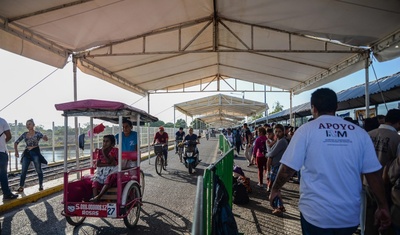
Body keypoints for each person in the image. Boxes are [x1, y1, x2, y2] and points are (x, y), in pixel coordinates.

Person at [269, 88, 391, 234]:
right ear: (336, 107)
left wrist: (275, 189)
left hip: (315, 215)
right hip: (349, 217)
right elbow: (373, 175)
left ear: (313, 108)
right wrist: (382, 205)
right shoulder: (359, 133)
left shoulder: (306, 130)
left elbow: (288, 168)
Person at [366, 109, 400, 235]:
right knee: (385, 221)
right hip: (385, 187)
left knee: (368, 220)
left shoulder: (368, 135)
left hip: (365, 185)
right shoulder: (396, 139)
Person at [14, 119, 48, 192]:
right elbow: (16, 142)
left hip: (35, 152)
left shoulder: (38, 133)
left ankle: (41, 185)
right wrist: (16, 152)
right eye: (27, 124)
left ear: (33, 125)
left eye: (29, 124)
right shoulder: (24, 134)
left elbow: (45, 139)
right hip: (27, 153)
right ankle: (21, 186)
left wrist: (45, 136)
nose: (28, 125)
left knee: (38, 169)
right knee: (23, 170)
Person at [266, 124, 288, 216]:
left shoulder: (282, 141)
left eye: (279, 131)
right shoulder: (279, 141)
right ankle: (280, 206)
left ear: (283, 132)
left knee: (274, 187)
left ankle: (278, 207)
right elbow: (270, 150)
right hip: (276, 167)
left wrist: (266, 155)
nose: (277, 133)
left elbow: (271, 153)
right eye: (276, 131)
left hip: (278, 167)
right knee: (276, 188)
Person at [90, 135, 118, 202]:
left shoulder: (115, 150)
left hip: (113, 170)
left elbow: (109, 161)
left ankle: (98, 197)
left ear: (112, 143)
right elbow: (98, 164)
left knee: (109, 178)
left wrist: (103, 152)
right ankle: (95, 199)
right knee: (95, 181)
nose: (105, 143)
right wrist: (108, 164)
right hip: (102, 171)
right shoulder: (99, 151)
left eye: (107, 141)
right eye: (104, 141)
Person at [0, 117, 18, 200]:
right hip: (1, 152)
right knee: (3, 174)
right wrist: (3, 142)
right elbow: (9, 136)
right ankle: (7, 193)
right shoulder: (2, 121)